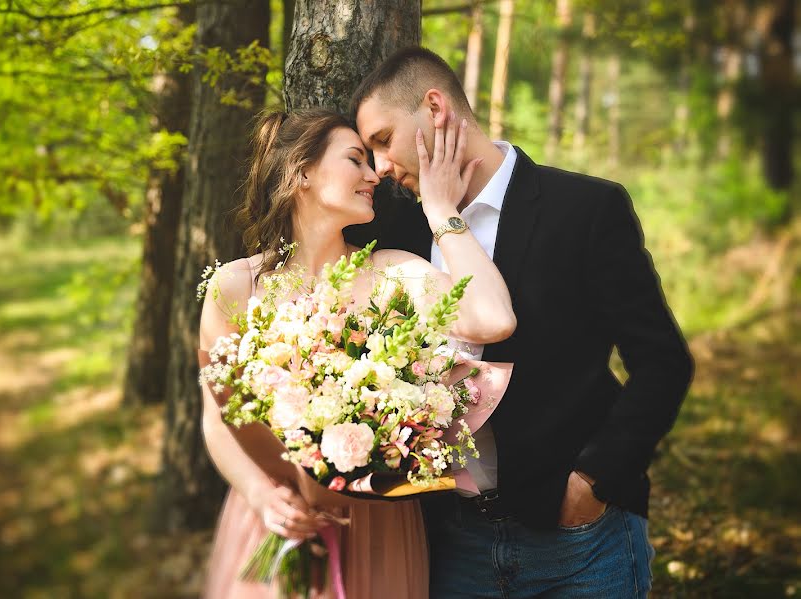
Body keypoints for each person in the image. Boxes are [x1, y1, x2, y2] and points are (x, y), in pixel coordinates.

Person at [349, 47, 694, 598]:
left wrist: (592, 483)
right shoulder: (396, 232)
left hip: (582, 544)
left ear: (435, 108)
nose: (381, 167)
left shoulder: (585, 208)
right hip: (448, 543)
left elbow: (662, 363)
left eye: (384, 140)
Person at [198, 108, 516, 598]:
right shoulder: (236, 285)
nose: (374, 175)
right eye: (355, 160)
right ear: (301, 172)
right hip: (278, 519)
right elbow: (217, 418)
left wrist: (440, 211)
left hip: (377, 529)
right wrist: (264, 496)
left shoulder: (393, 272)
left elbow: (494, 319)